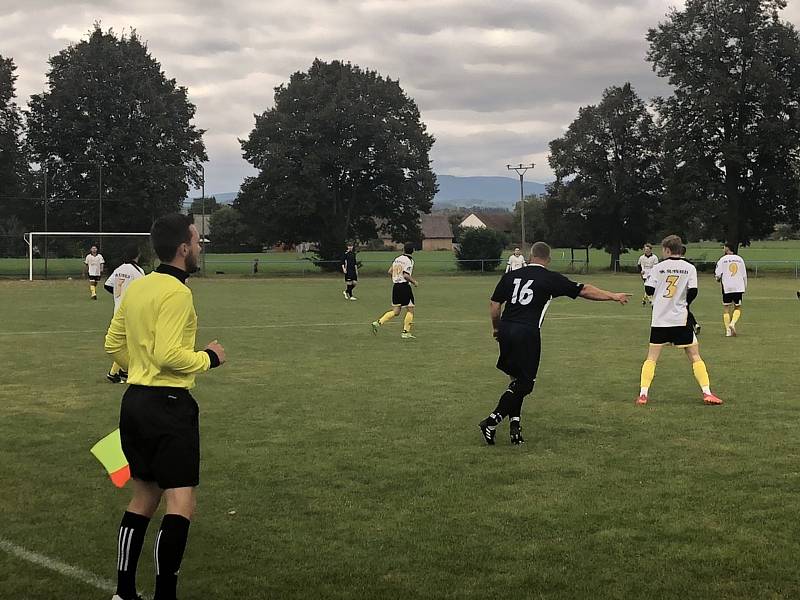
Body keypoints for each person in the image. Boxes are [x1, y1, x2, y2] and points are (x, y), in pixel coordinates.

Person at [104, 214, 226, 600]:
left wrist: (138, 368)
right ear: (183, 248)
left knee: (143, 497)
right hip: (168, 405)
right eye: (196, 239)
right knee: (181, 502)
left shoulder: (137, 287)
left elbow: (113, 344)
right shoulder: (177, 292)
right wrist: (210, 357)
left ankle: (124, 591)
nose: (200, 246)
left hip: (135, 402)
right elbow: (170, 355)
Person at [478, 242, 631, 445]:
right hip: (527, 332)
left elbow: (495, 304)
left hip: (506, 329)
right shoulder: (549, 278)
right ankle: (491, 421)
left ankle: (515, 427)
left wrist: (497, 328)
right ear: (548, 259)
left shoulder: (511, 276)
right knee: (525, 384)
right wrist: (613, 296)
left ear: (530, 256)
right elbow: (584, 290)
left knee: (516, 381)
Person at [636, 235, 722, 406]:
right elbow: (693, 291)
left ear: (667, 250)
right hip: (680, 319)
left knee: (651, 358)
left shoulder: (658, 267)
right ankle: (707, 392)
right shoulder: (689, 268)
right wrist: (683, 303)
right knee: (695, 355)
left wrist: (659, 299)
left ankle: (643, 394)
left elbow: (649, 288)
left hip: (660, 319)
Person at [104, 244, 145, 383]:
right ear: (137, 255)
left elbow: (107, 285)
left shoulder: (119, 268)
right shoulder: (138, 271)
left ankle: (120, 372)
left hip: (118, 311)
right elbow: (143, 291)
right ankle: (118, 372)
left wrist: (118, 297)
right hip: (131, 313)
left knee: (125, 344)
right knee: (131, 343)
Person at [371, 243, 418, 339]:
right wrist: (414, 282)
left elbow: (390, 271)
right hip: (404, 286)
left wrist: (396, 278)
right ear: (413, 251)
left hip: (396, 287)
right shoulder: (409, 261)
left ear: (403, 250)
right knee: (410, 309)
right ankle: (405, 332)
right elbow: (406, 275)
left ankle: (378, 322)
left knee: (396, 311)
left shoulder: (397, 259)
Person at [714, 243, 747, 337]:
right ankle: (732, 323)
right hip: (738, 286)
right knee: (737, 307)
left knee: (726, 308)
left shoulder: (722, 259)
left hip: (727, 286)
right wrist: (744, 286)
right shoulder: (740, 259)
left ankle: (728, 330)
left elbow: (717, 274)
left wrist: (718, 279)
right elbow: (744, 274)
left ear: (727, 249)